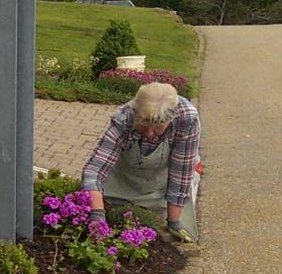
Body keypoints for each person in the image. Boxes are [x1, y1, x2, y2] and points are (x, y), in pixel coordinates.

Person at [80, 81, 201, 242]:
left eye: (158, 127)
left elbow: (181, 174)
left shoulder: (187, 119)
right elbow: (94, 170)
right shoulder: (125, 117)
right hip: (122, 183)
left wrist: (173, 222)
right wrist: (97, 215)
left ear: (172, 119)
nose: (150, 133)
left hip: (162, 186)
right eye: (144, 125)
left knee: (168, 239)